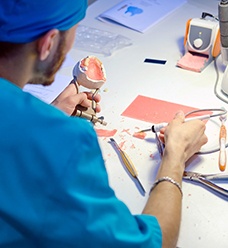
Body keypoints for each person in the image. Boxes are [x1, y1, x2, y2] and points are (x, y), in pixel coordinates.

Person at [0, 1, 208, 247]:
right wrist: (176, 156)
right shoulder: (63, 143)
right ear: (48, 43)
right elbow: (153, 243)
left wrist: (47, 115)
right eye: (74, 29)